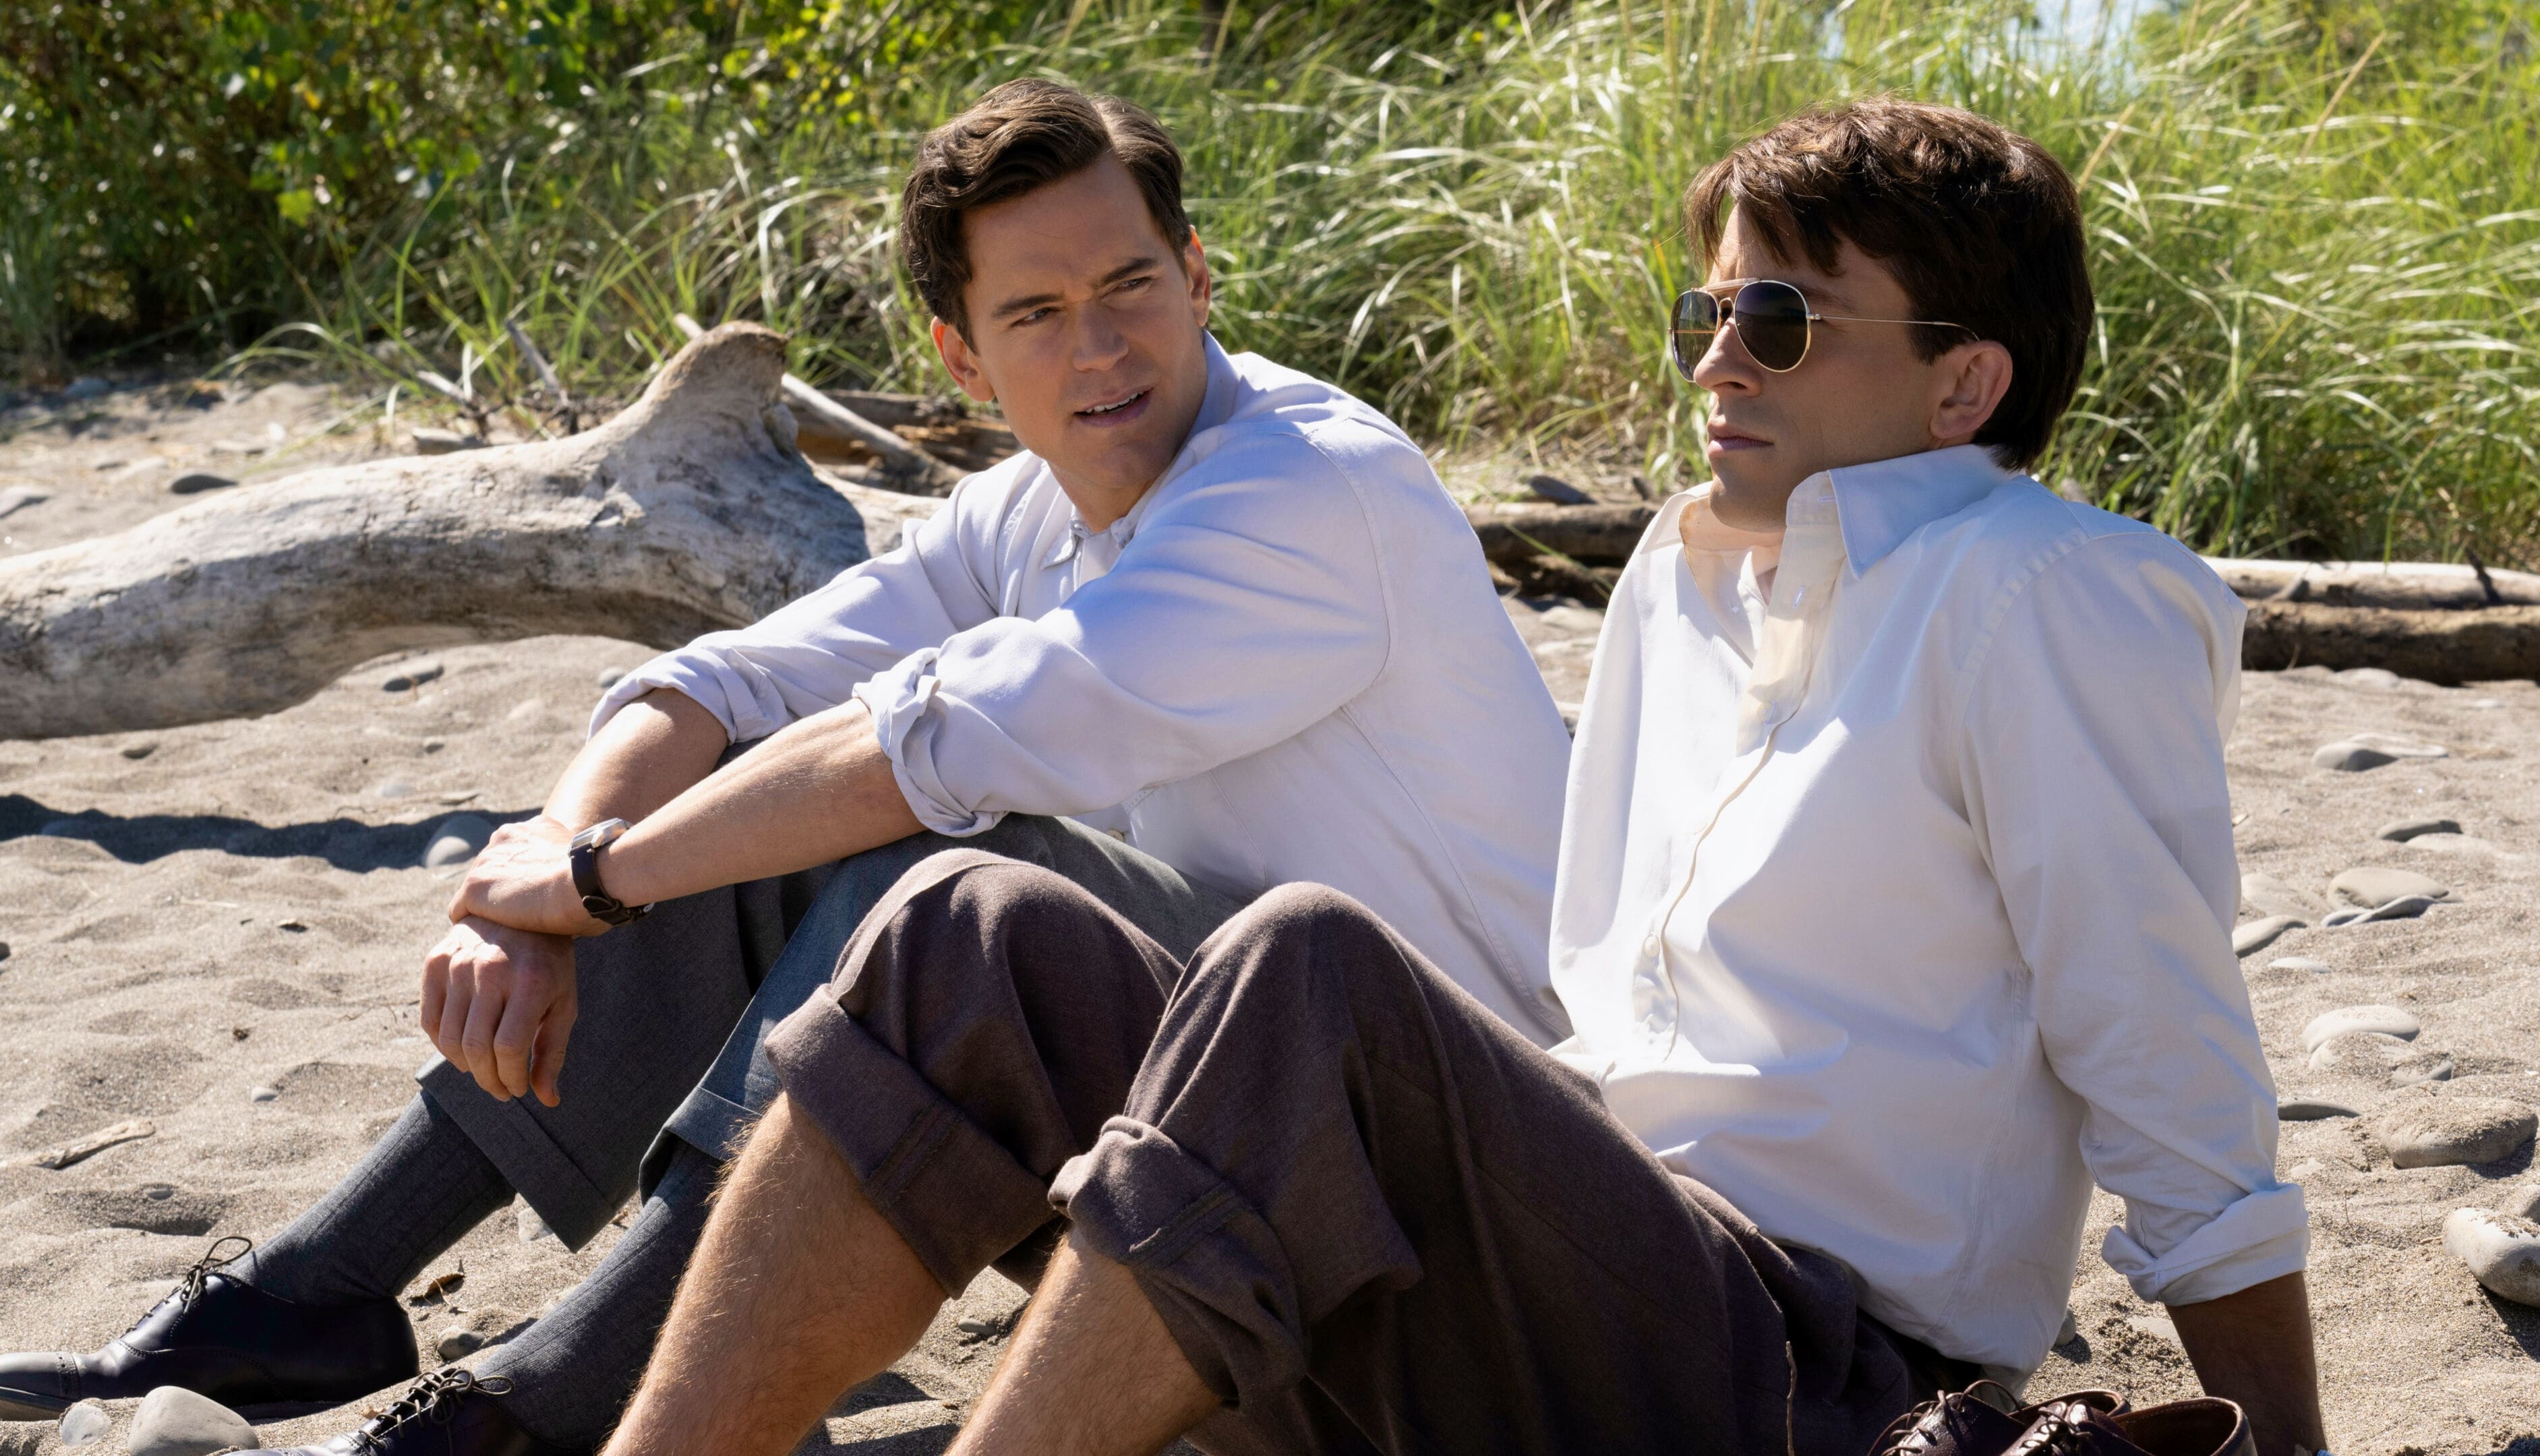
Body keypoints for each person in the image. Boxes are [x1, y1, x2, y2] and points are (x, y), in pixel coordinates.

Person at [597, 100, 2330, 1456]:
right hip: (1587, 1275)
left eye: (1782, 321)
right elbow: (1610, 1013)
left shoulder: (2047, 589)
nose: (1717, 359)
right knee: (968, 932)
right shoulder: (1686, 579)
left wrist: (2283, 1436)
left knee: (1306, 966)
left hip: (1825, 1369)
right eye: (1708, 310)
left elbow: (2162, 1044)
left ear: (1966, 382)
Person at [0, 79, 1573, 1456]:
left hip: (1428, 1179)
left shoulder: (1306, 493)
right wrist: (544, 873)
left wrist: (595, 881)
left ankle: (549, 1402)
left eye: (1130, 284)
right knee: (748, 802)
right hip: (1201, 1146)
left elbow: (922, 752)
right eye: (1036, 313)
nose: (1100, 345)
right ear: (963, 357)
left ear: (1199, 275)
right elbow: (724, 680)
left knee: (930, 866)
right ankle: (324, 1290)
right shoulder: (1036, 506)